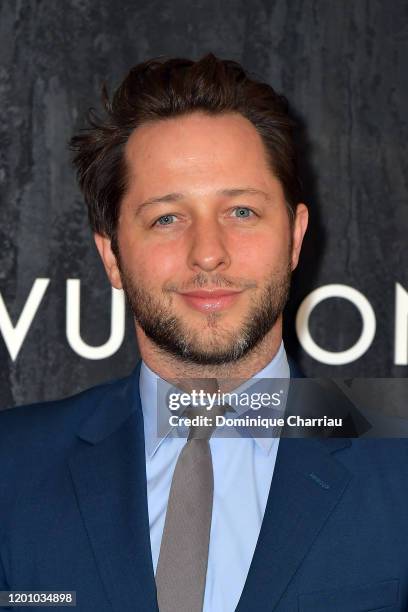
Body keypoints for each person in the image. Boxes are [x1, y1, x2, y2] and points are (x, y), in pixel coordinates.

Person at [0, 54, 407, 612]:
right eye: (167, 218)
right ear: (112, 257)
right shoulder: (10, 468)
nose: (209, 252)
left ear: (294, 238)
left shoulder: (397, 457)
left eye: (241, 211)